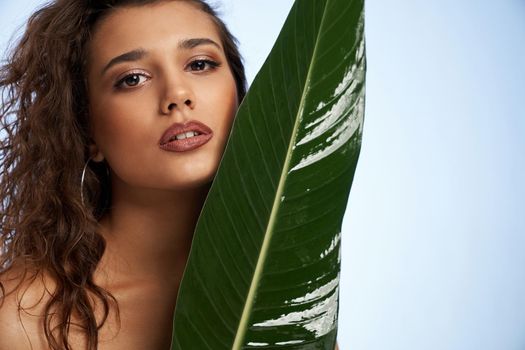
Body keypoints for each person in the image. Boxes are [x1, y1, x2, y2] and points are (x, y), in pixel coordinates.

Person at [0, 0, 340, 349]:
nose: (177, 95)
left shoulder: (282, 282)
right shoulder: (21, 318)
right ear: (86, 130)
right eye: (132, 79)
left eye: (199, 64)